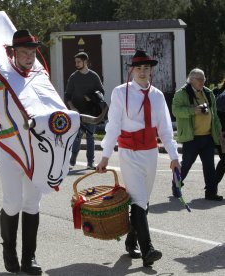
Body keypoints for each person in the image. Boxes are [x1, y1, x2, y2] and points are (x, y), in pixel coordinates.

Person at [96, 50, 180, 267]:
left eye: (147, 68)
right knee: (139, 199)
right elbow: (113, 124)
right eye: (139, 68)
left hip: (150, 152)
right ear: (132, 70)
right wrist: (105, 155)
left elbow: (165, 128)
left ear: (151, 70)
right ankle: (147, 249)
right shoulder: (119, 92)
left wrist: (173, 156)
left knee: (143, 200)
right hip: (129, 152)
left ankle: (131, 239)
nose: (143, 72)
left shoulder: (158, 95)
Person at [0, 29, 47, 275]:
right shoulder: (3, 76)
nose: (29, 56)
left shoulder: (40, 75)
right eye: (24, 52)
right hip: (8, 147)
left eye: (32, 52)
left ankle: (30, 258)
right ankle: (9, 251)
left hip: (35, 148)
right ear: (14, 53)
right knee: (13, 201)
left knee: (32, 202)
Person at [172, 68, 223, 201]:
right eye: (199, 79)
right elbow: (176, 111)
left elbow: (214, 115)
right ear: (191, 79)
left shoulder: (208, 92)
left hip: (208, 137)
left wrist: (218, 130)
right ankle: (176, 185)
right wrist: (193, 111)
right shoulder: (181, 94)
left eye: (203, 79)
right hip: (191, 137)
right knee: (187, 164)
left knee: (209, 167)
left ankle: (211, 193)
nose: (202, 82)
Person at [65, 52, 105, 170]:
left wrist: (92, 97)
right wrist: (72, 107)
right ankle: (72, 161)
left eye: (79, 61)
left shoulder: (94, 76)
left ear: (85, 62)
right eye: (76, 62)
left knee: (90, 137)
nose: (76, 64)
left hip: (91, 112)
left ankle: (90, 162)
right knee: (77, 137)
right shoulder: (73, 77)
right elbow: (67, 95)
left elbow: (101, 92)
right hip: (78, 113)